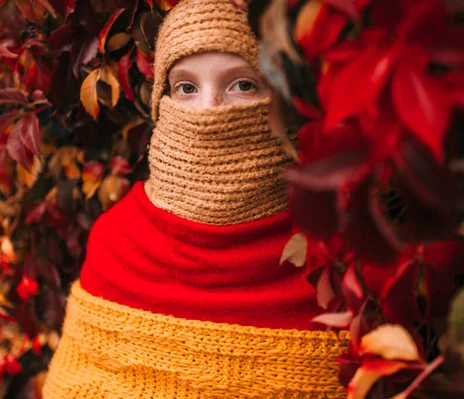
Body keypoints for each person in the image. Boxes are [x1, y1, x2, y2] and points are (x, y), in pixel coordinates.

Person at [42, 0, 349, 398]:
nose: (208, 111)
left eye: (243, 84)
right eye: (186, 87)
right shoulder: (117, 241)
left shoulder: (342, 255)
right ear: (162, 101)